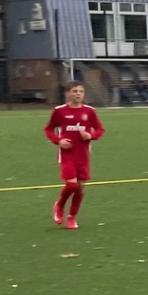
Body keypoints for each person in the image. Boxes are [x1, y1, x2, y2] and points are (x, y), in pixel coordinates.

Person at [45, 81, 104, 230]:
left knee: (80, 188)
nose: (78, 94)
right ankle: (59, 205)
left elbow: (99, 129)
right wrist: (59, 141)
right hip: (67, 154)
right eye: (75, 91)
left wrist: (91, 135)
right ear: (67, 93)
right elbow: (49, 129)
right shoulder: (59, 111)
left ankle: (72, 217)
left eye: (81, 91)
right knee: (72, 184)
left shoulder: (89, 111)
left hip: (83, 155)